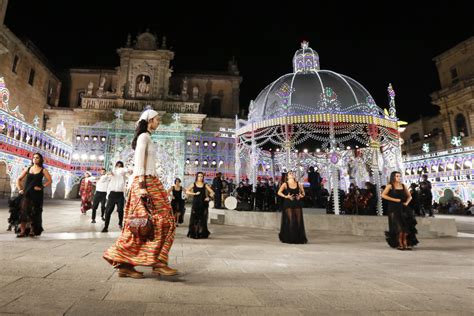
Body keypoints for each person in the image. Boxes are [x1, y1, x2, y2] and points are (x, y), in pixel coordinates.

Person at [103, 109, 177, 278]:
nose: (159, 122)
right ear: (150, 120)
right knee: (146, 224)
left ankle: (146, 263)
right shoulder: (144, 137)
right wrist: (142, 186)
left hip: (150, 181)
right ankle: (147, 263)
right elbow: (139, 162)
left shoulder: (148, 137)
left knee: (152, 224)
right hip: (145, 182)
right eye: (157, 119)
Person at [15, 153, 52, 237]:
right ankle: (22, 231)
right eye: (34, 157)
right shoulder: (28, 169)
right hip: (27, 193)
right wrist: (20, 189)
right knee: (23, 211)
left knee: (34, 212)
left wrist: (41, 187)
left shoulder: (43, 170)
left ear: (40, 159)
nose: (35, 159)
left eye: (37, 158)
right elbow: (18, 179)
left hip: (37, 194)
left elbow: (49, 180)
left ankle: (32, 230)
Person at [382, 171, 419, 250]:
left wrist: (406, 203)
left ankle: (405, 241)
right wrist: (394, 200)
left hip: (403, 208)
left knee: (406, 226)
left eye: (399, 176)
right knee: (399, 226)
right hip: (393, 208)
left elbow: (409, 196)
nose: (399, 178)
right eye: (397, 176)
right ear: (393, 177)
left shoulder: (403, 186)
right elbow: (383, 195)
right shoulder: (390, 186)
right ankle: (400, 242)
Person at [277, 170, 308, 244]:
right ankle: (290, 238)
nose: (292, 174)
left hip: (297, 203)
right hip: (288, 204)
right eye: (290, 173)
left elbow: (303, 193)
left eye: (292, 173)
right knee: (290, 221)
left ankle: (298, 238)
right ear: (287, 176)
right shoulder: (285, 184)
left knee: (298, 220)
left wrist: (301, 196)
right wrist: (286, 196)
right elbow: (279, 192)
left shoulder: (299, 184)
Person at [186, 172, 215, 239]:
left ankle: (201, 233)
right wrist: (194, 194)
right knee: (195, 219)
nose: (200, 177)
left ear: (203, 177)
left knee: (202, 219)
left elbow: (212, 192)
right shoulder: (194, 184)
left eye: (201, 176)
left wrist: (209, 197)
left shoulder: (205, 185)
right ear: (197, 177)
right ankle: (195, 233)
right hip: (196, 203)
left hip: (203, 204)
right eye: (199, 176)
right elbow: (187, 191)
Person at [101, 161, 127, 232]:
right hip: (112, 194)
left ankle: (120, 223)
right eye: (117, 165)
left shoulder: (123, 173)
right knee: (108, 211)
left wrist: (122, 170)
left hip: (120, 194)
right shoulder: (112, 173)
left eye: (120, 165)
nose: (119, 167)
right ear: (115, 166)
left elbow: (125, 171)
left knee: (120, 210)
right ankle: (106, 227)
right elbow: (103, 180)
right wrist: (107, 174)